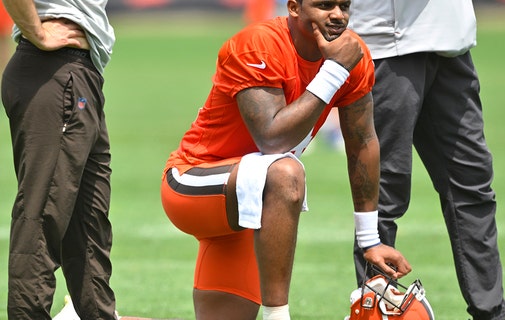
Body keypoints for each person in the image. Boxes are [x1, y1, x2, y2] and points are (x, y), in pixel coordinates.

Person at [159, 0, 412, 319]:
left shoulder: (352, 53)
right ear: (293, 8)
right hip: (194, 182)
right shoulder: (258, 43)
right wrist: (333, 71)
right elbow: (273, 139)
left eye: (344, 5)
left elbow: (362, 143)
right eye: (324, 5)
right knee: (286, 173)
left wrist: (370, 241)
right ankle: (278, 315)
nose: (337, 15)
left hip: (251, 205)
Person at [348, 1, 505, 320]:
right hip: (387, 41)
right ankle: (374, 310)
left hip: (451, 42)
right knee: (384, 190)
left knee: (473, 186)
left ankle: (493, 311)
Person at [1, 0, 117, 319]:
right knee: (42, 214)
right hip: (53, 67)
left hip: (80, 73)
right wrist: (35, 31)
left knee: (89, 222)